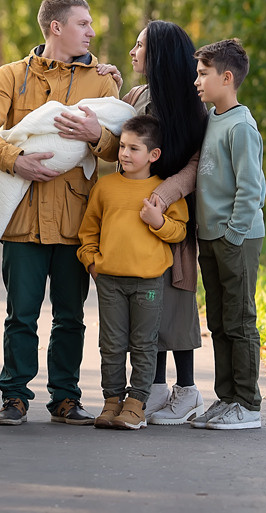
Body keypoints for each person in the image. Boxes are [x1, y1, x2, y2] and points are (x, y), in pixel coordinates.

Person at [0, 0, 119, 426]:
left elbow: (121, 148)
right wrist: (14, 160)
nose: (91, 31)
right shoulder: (10, 76)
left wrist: (95, 135)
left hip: (76, 220)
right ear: (56, 27)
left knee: (71, 316)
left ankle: (66, 397)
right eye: (83, 23)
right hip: (22, 218)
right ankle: (14, 396)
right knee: (21, 314)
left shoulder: (104, 82)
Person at [97, 20, 209, 425]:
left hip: (169, 216)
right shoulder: (143, 93)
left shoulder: (189, 105)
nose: (132, 50)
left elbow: (196, 164)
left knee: (176, 300)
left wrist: (162, 199)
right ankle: (156, 387)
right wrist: (114, 85)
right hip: (140, 214)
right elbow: (123, 132)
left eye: (140, 45)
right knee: (152, 304)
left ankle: (188, 389)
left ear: (159, 53)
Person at [78, 115, 189, 430]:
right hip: (109, 281)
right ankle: (112, 401)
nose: (124, 153)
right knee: (111, 343)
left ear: (153, 155)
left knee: (144, 343)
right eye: (122, 146)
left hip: (148, 283)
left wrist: (158, 221)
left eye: (133, 148)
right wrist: (92, 262)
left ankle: (136, 403)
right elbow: (88, 231)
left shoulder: (162, 191)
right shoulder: (106, 186)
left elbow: (179, 232)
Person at [190, 38, 266, 431]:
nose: (197, 81)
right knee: (219, 320)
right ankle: (227, 399)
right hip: (212, 238)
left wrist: (233, 235)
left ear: (227, 77)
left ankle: (248, 404)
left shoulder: (241, 125)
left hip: (235, 238)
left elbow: (251, 189)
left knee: (239, 319)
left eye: (203, 74)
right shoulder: (213, 119)